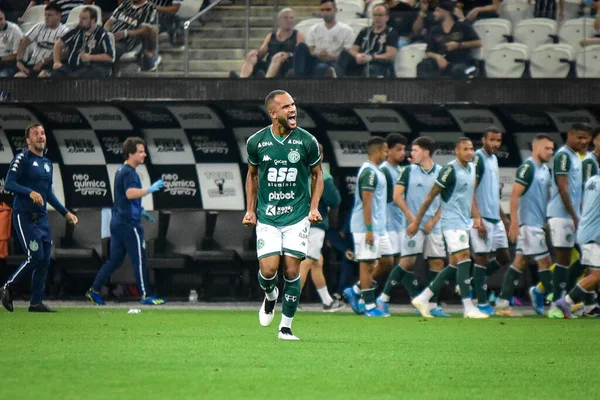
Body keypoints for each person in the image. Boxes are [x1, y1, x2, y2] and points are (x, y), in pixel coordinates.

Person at [243, 90, 324, 341]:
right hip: (268, 216)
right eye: (286, 106)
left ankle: (285, 327)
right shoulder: (256, 142)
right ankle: (269, 296)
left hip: (297, 215)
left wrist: (314, 207)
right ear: (273, 113)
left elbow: (317, 175)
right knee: (268, 270)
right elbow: (252, 175)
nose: (293, 110)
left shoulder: (306, 141)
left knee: (291, 271)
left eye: (294, 104)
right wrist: (250, 210)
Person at [0, 124, 78, 313]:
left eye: (42, 133)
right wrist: (29, 192)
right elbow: (9, 183)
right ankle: (7, 287)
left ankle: (36, 302)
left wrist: (65, 212)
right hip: (24, 215)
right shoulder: (22, 158)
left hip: (41, 218)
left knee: (44, 260)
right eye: (35, 134)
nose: (40, 137)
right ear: (28, 140)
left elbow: (48, 193)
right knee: (35, 256)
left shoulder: (47, 163)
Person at [410, 137, 489, 319]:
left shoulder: (472, 168)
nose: (470, 152)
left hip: (463, 222)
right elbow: (430, 196)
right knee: (465, 258)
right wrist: (417, 221)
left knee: (454, 264)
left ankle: (423, 298)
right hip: (451, 222)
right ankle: (469, 307)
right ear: (457, 151)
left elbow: (470, 195)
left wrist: (476, 216)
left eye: (471, 148)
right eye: (465, 149)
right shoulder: (450, 170)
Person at [86, 137, 166, 306]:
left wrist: (142, 211)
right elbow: (130, 193)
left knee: (115, 260)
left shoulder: (121, 170)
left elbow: (123, 198)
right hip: (129, 224)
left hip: (117, 222)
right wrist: (149, 190)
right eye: (141, 151)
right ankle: (145, 295)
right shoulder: (129, 172)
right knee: (139, 259)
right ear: (130, 153)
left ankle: (93, 290)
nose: (144, 154)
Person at [377, 136, 449, 317]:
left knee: (437, 262)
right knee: (407, 262)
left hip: (434, 226)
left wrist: (433, 221)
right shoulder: (407, 171)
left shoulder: (442, 172)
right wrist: (412, 218)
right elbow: (397, 196)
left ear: (426, 152)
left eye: (415, 150)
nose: (411, 153)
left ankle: (432, 305)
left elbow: (445, 200)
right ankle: (383, 299)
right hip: (411, 226)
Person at [494, 135, 555, 316]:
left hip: (538, 223)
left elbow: (544, 197)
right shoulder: (527, 167)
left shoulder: (545, 169)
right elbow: (514, 196)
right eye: (547, 148)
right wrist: (514, 223)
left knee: (520, 262)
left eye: (552, 149)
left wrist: (546, 220)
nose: (551, 152)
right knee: (545, 262)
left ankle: (503, 302)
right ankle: (554, 303)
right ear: (536, 148)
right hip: (528, 225)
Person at [546, 123, 591, 319]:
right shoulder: (563, 155)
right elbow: (562, 188)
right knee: (563, 259)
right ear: (570, 135)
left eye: (586, 138)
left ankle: (567, 298)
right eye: (579, 137)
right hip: (561, 215)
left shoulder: (576, 157)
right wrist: (574, 215)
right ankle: (556, 304)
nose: (583, 141)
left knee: (585, 258)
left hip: (573, 215)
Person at [343, 136, 391, 318]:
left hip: (379, 227)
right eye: (385, 150)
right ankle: (370, 306)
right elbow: (367, 202)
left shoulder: (377, 171)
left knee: (387, 260)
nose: (387, 154)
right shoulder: (369, 173)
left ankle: (355, 290)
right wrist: (369, 228)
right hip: (366, 227)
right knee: (367, 263)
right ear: (378, 151)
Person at [469, 127, 511, 316]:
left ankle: (472, 282)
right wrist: (477, 218)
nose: (495, 144)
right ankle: (482, 301)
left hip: (495, 217)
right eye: (492, 140)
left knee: (504, 257)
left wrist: (504, 217)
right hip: (482, 217)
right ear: (483, 139)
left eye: (498, 141)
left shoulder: (493, 159)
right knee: (482, 258)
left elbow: (493, 192)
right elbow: (471, 190)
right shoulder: (477, 158)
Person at [299, 143, 345, 312]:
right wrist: (333, 225)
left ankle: (327, 301)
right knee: (307, 261)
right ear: (321, 156)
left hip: (295, 223)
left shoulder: (294, 172)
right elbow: (335, 199)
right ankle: (292, 301)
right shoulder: (321, 175)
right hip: (313, 224)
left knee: (317, 261)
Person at [556, 169, 600, 319]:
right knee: (596, 275)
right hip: (593, 235)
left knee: (593, 273)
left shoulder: (592, 181)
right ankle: (566, 301)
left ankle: (589, 306)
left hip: (587, 231)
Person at [416, 0, 481, 79]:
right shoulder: (435, 30)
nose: (434, 13)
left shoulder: (463, 26)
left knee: (457, 70)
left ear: (446, 11)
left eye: (437, 10)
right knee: (423, 65)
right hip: (443, 62)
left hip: (462, 61)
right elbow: (428, 52)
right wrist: (438, 57)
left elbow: (478, 43)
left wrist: (458, 45)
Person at [233, 8, 304, 79]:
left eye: (291, 18)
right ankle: (241, 80)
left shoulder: (298, 35)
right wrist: (254, 54)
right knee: (252, 58)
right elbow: (261, 53)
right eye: (286, 18)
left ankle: (267, 83)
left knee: (277, 58)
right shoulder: (271, 36)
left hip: (286, 65)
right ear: (279, 21)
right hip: (269, 64)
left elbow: (300, 54)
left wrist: (287, 54)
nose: (289, 20)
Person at [46, 6, 113, 77]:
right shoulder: (77, 30)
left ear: (93, 20)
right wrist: (56, 62)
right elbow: (58, 44)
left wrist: (90, 57)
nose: (80, 21)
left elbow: (109, 56)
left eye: (84, 18)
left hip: (89, 68)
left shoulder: (101, 34)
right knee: (51, 76)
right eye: (80, 18)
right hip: (69, 68)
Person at [293, 0, 355, 78]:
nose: (325, 13)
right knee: (301, 46)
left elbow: (347, 53)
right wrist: (319, 55)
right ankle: (298, 78)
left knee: (322, 68)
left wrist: (331, 56)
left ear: (335, 10)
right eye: (322, 10)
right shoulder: (314, 29)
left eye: (328, 10)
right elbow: (311, 50)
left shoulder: (347, 30)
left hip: (336, 61)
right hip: (316, 59)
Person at [337, 4, 398, 77]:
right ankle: (338, 81)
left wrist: (372, 57)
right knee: (344, 54)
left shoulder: (391, 32)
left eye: (380, 15)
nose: (377, 18)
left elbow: (391, 55)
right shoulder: (365, 31)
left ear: (387, 17)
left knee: (370, 68)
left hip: (378, 63)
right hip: (361, 60)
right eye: (375, 15)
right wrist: (358, 55)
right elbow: (353, 49)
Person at [15, 2, 70, 78]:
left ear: (59, 16)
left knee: (43, 77)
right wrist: (19, 61)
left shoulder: (65, 31)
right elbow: (23, 42)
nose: (46, 17)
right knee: (18, 77)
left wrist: (44, 60)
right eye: (45, 15)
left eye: (50, 15)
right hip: (32, 64)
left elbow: (64, 54)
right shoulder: (39, 26)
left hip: (49, 67)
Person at [104, 0, 161, 72]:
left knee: (109, 49)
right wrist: (105, 33)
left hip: (128, 41)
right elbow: (110, 22)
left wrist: (125, 33)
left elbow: (144, 30)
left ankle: (111, 73)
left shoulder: (149, 8)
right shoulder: (125, 4)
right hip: (111, 37)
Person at [0, 8, 23, 77]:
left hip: (9, 64)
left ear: (4, 16)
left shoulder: (15, 30)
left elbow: (18, 54)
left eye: (0, 19)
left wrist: (1, 59)